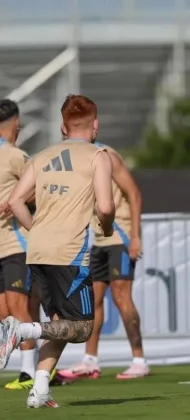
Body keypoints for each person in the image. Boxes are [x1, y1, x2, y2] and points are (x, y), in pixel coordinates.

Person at [0, 94, 115, 408]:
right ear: (95, 125)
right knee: (82, 327)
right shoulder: (99, 155)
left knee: (58, 321)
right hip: (69, 251)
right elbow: (105, 206)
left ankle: (39, 389)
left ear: (63, 127)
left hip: (37, 250)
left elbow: (16, 201)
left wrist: (36, 228)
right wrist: (106, 227)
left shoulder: (43, 155)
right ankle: (21, 329)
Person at [58, 141, 148, 380]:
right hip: (98, 239)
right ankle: (90, 360)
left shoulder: (107, 155)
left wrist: (136, 236)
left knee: (121, 296)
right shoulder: (75, 160)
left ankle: (139, 360)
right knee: (93, 300)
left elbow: (134, 193)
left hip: (120, 235)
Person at [0, 99, 68, 390]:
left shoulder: (15, 155)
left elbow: (41, 189)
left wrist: (13, 203)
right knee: (4, 312)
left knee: (19, 307)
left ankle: (31, 372)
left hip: (17, 243)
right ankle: (37, 367)